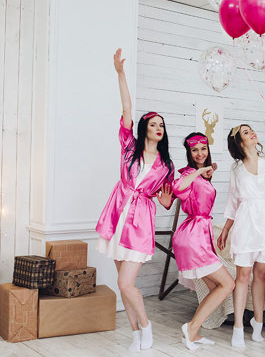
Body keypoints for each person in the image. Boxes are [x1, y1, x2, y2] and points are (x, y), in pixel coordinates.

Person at [95, 48, 174, 352]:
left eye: (161, 125)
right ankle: (136, 335)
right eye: (153, 123)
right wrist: (119, 72)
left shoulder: (166, 165)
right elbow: (127, 107)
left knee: (126, 284)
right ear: (144, 129)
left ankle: (147, 327)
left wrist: (166, 201)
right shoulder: (129, 147)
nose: (158, 127)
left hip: (140, 223)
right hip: (117, 215)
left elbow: (164, 199)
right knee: (122, 285)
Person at [217, 125, 265, 347]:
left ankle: (258, 322)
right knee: (243, 276)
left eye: (251, 130)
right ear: (239, 141)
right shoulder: (236, 169)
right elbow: (232, 202)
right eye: (246, 132)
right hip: (246, 223)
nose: (252, 133)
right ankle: (238, 326)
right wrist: (226, 229)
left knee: (261, 275)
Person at [171, 132, 235, 350]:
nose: (199, 153)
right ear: (189, 153)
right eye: (194, 150)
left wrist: (207, 171)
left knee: (217, 286)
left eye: (203, 149)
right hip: (193, 237)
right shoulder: (190, 173)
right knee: (228, 284)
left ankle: (194, 331)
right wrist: (199, 170)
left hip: (200, 235)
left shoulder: (204, 175)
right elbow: (178, 188)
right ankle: (191, 328)